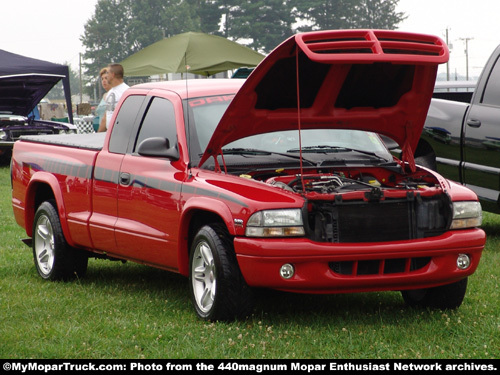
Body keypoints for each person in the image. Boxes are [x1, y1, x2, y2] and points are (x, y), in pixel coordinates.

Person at [98, 63, 129, 132]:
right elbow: (107, 116)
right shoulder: (110, 93)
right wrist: (98, 134)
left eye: (108, 73)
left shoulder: (126, 92)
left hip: (122, 133)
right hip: (110, 133)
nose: (106, 75)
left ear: (113, 75)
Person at [93, 68, 111, 132]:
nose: (104, 81)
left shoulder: (114, 95)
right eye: (102, 79)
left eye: (106, 78)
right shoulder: (104, 95)